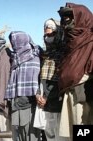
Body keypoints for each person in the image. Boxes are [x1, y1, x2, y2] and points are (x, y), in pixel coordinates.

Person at [57, 3, 93, 140]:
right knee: (72, 132)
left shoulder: (90, 40)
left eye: (70, 17)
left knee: (83, 128)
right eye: (65, 18)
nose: (67, 21)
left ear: (81, 18)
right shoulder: (68, 42)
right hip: (69, 91)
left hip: (84, 93)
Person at [5, 31, 42, 141]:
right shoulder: (16, 58)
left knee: (31, 133)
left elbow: (35, 80)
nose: (12, 45)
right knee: (20, 133)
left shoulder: (33, 56)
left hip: (30, 102)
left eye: (14, 42)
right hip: (17, 101)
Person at [36, 18, 67, 141]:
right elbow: (40, 78)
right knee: (49, 135)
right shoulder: (45, 54)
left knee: (60, 135)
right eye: (46, 35)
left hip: (57, 100)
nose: (48, 37)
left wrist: (48, 97)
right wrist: (38, 94)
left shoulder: (63, 52)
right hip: (44, 102)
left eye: (51, 34)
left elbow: (60, 78)